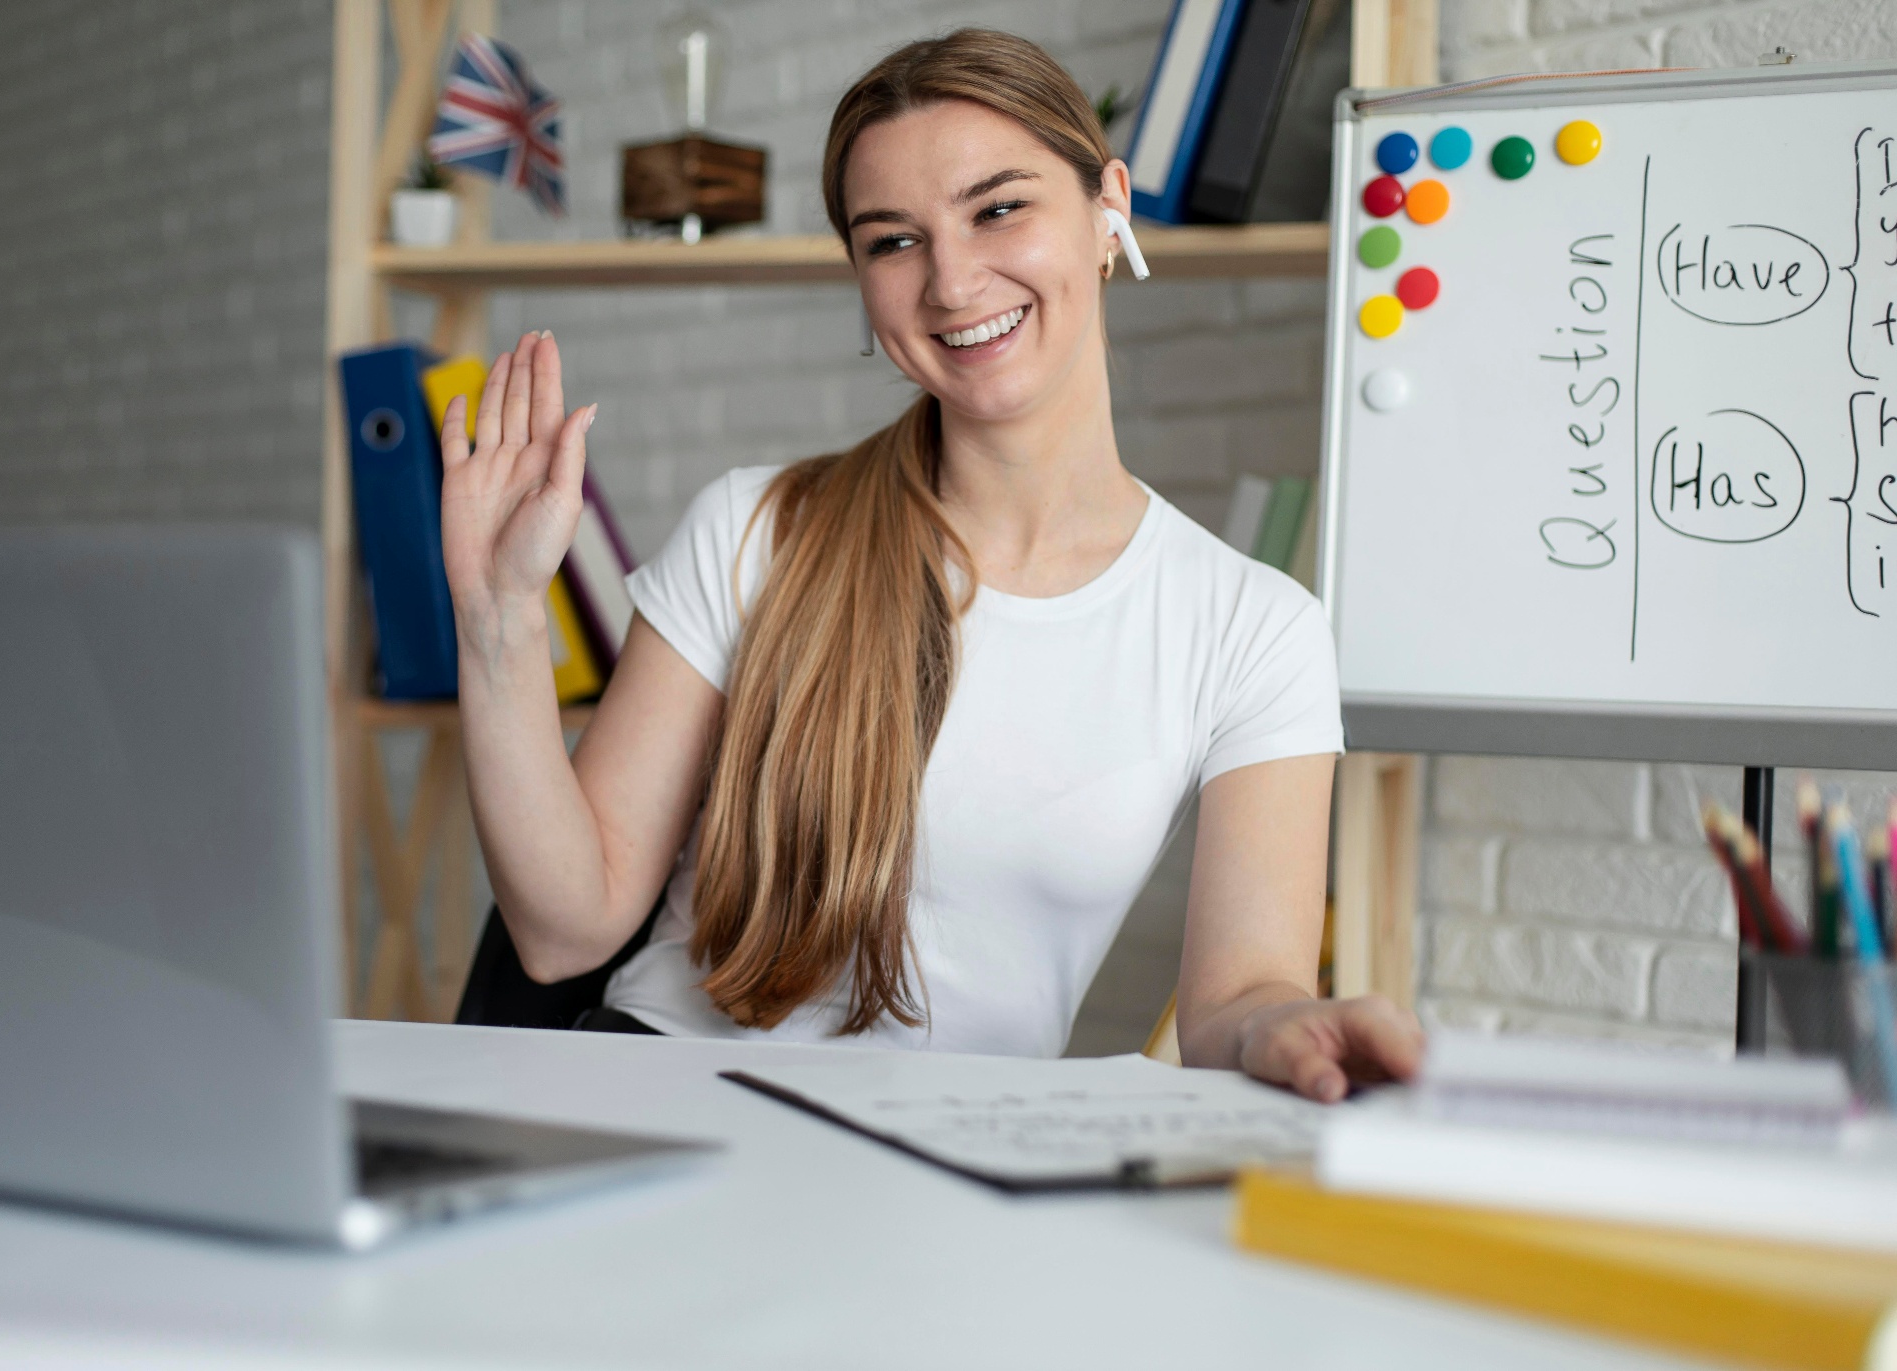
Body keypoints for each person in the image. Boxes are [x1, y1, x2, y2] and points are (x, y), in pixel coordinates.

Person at [438, 29, 1422, 1102]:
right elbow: (560, 929)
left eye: (999, 209)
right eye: (893, 241)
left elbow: (1239, 996)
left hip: (954, 1162)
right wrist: (500, 617)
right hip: (662, 1107)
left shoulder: (1254, 629)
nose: (952, 281)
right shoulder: (756, 529)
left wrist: (1289, 1030)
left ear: (1110, 212)